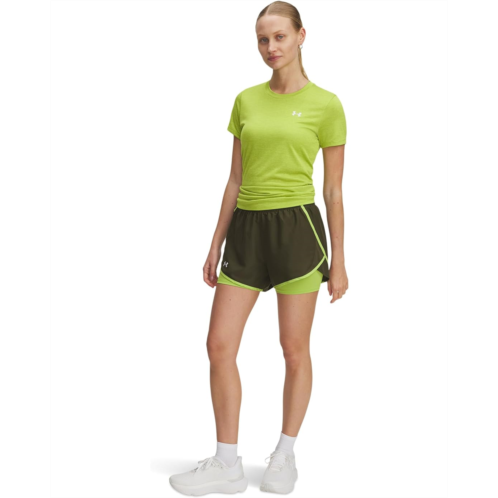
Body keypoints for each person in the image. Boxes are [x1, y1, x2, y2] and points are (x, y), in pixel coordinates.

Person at [169, 1, 348, 495]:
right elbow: (234, 179)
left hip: (297, 231)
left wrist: (340, 261)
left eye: (279, 37)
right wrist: (215, 243)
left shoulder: (327, 104)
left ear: (301, 36)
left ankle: (284, 455)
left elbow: (334, 190)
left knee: (293, 349)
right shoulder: (245, 100)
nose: (271, 47)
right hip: (246, 232)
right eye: (263, 39)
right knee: (219, 345)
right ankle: (227, 463)